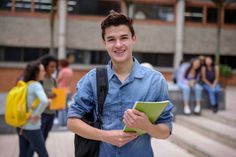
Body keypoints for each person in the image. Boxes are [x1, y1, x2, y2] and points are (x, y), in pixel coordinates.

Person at [67, 10, 173, 157]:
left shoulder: (155, 81)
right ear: (104, 43)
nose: (118, 45)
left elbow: (165, 131)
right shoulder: (92, 79)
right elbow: (72, 122)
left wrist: (147, 126)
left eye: (124, 38)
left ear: (133, 39)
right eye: (111, 39)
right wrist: (105, 136)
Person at [17, 60, 49, 157]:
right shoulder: (36, 85)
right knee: (43, 154)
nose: (44, 73)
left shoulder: (25, 84)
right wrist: (36, 114)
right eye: (42, 71)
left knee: (23, 154)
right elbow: (44, 101)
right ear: (36, 73)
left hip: (21, 124)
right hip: (32, 126)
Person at [39, 54, 58, 140]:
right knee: (39, 139)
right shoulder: (40, 80)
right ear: (45, 66)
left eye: (55, 66)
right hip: (42, 113)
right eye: (51, 66)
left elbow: (56, 95)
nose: (54, 69)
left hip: (51, 113)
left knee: (45, 137)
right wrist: (48, 96)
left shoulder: (53, 80)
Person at [57, 59, 74, 126]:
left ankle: (61, 122)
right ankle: (67, 122)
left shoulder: (63, 71)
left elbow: (58, 80)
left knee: (61, 107)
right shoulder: (70, 70)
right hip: (68, 90)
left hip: (61, 90)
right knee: (66, 107)